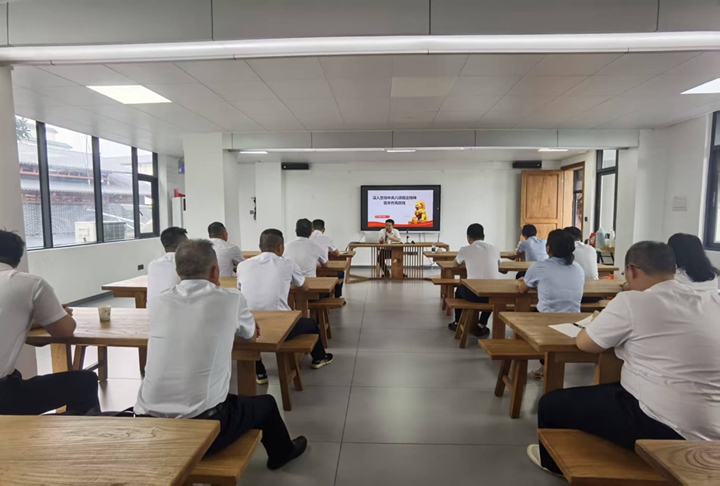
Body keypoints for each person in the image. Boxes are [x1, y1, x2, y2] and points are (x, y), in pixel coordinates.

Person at [527, 241, 720, 476]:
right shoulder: (712, 300)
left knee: (551, 404)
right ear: (673, 268)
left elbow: (585, 344)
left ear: (632, 270)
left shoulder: (632, 301)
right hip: (713, 424)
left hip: (666, 423)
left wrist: (599, 322)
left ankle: (553, 464)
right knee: (610, 391)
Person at [134, 239, 307, 468]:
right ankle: (282, 454)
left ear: (177, 272)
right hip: (203, 427)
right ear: (215, 271)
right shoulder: (230, 298)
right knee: (266, 404)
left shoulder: (158, 302)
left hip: (146, 423)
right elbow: (251, 337)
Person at [0, 230, 99, 416]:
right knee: (84, 382)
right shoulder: (29, 283)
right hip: (3, 397)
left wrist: (37, 321)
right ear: (17, 260)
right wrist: (60, 315)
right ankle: (78, 432)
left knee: (15, 377)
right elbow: (65, 331)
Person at [236, 229, 334, 385]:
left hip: (250, 327)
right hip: (281, 328)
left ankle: (259, 372)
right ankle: (319, 357)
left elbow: (241, 289)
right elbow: (305, 287)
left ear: (260, 246)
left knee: (248, 333)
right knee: (311, 324)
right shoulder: (287, 264)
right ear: (280, 248)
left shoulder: (243, 265)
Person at [519, 229, 584, 378]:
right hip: (576, 319)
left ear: (548, 248)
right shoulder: (578, 268)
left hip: (547, 319)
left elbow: (522, 290)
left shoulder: (539, 267)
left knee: (522, 319)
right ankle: (545, 365)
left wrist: (528, 282)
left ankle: (541, 364)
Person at [447, 224, 501, 339]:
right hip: (493, 294)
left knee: (459, 291)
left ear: (468, 238)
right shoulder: (494, 249)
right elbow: (499, 265)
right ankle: (481, 325)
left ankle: (457, 322)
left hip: (473, 294)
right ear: (484, 236)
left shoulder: (465, 249)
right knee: (492, 293)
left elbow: (455, 264)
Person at [147, 227, 188, 302]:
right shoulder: (186, 262)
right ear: (183, 245)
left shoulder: (153, 264)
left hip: (153, 308)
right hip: (177, 307)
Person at [311, 219, 344, 298]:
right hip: (322, 268)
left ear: (312, 229)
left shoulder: (308, 238)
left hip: (310, 269)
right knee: (341, 272)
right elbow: (337, 254)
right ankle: (337, 296)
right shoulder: (326, 238)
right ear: (324, 229)